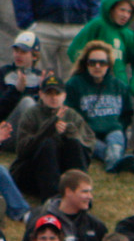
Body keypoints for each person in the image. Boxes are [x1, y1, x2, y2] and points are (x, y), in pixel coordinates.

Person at [65, 40, 134, 176]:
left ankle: (116, 164)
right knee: (99, 145)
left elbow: (127, 114)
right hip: (87, 134)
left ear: (109, 65)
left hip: (113, 131)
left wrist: (120, 127)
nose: (97, 66)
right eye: (92, 62)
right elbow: (70, 113)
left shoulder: (119, 86)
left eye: (102, 62)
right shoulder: (74, 84)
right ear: (85, 63)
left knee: (116, 137)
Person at [10, 72, 94, 201]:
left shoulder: (71, 115)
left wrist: (70, 133)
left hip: (61, 171)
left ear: (64, 96)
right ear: (41, 95)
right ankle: (52, 198)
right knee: (48, 144)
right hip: (32, 174)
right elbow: (22, 150)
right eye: (49, 93)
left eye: (57, 93)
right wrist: (48, 129)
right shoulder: (31, 115)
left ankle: (80, 194)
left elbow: (88, 145)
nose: (53, 97)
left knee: (74, 144)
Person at [67, 0, 134, 99]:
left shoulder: (127, 34)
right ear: (110, 8)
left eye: (129, 12)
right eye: (122, 10)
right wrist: (86, 74)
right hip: (92, 88)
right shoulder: (97, 25)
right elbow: (74, 50)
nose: (126, 15)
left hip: (118, 88)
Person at [22, 169, 107, 241]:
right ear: (68, 192)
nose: (90, 196)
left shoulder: (96, 225)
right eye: (85, 192)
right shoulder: (40, 223)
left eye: (90, 192)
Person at [0, 30, 44, 145]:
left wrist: (44, 92)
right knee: (27, 102)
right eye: (16, 51)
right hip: (6, 131)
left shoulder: (40, 76)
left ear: (34, 56)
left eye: (23, 52)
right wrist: (16, 90)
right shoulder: (4, 73)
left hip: (31, 133)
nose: (18, 55)